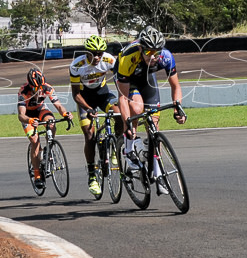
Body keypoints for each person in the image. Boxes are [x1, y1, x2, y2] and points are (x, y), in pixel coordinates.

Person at [113, 26, 186, 185]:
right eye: (148, 52)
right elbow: (123, 99)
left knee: (154, 123)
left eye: (156, 52)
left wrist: (178, 108)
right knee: (137, 108)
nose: (153, 57)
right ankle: (129, 148)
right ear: (140, 48)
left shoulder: (165, 56)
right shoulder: (128, 58)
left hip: (146, 78)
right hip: (128, 77)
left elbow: (176, 87)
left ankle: (157, 170)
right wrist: (127, 122)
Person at [69, 34, 118, 197]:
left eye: (100, 53)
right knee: (89, 134)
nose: (97, 57)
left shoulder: (110, 60)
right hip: (84, 98)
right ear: (87, 53)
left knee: (118, 113)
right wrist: (88, 108)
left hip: (103, 94)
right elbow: (75, 94)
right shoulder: (77, 65)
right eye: (94, 53)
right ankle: (92, 175)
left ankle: (115, 147)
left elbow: (121, 80)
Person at [17, 67, 72, 189]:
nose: (40, 90)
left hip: (41, 110)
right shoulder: (23, 92)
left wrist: (65, 113)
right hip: (28, 116)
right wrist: (30, 120)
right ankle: (37, 174)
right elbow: (21, 115)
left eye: (41, 86)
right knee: (34, 141)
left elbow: (58, 105)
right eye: (37, 88)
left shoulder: (47, 87)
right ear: (31, 86)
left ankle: (49, 146)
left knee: (51, 123)